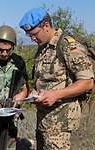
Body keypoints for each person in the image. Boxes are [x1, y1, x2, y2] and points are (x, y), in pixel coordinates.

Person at [19, 8, 94, 150]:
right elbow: (45, 80)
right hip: (44, 121)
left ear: (46, 26)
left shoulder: (68, 45)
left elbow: (87, 82)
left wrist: (56, 94)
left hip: (61, 124)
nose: (32, 38)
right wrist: (34, 94)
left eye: (34, 34)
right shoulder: (43, 48)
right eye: (29, 35)